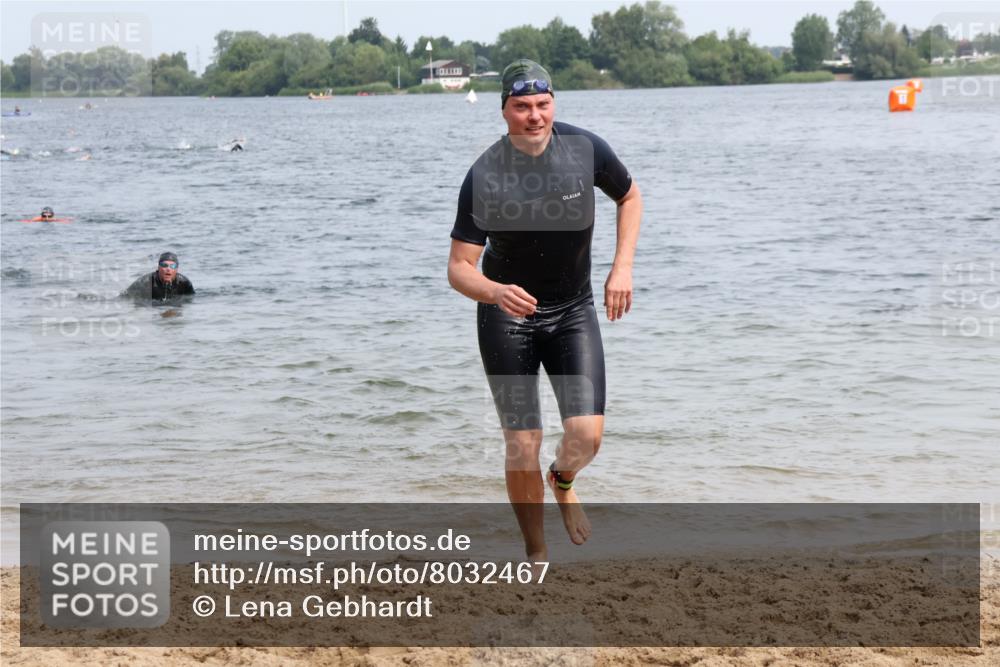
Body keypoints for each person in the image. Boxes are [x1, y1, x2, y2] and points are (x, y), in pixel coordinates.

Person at [447, 59, 642, 562]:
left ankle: (563, 480)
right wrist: (493, 292)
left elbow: (631, 195)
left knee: (586, 435)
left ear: (553, 103)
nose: (534, 116)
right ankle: (536, 554)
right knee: (522, 440)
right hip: (508, 319)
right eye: (521, 107)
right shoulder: (486, 174)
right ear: (504, 112)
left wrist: (622, 267)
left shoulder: (585, 149)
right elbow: (459, 268)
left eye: (542, 104)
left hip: (572, 310)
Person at [123, 252, 195, 302]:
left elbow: (191, 300)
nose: (168, 269)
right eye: (164, 265)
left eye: (172, 266)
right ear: (158, 267)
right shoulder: (145, 282)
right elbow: (125, 297)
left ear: (177, 269)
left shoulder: (184, 283)